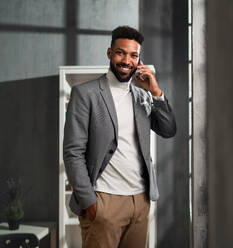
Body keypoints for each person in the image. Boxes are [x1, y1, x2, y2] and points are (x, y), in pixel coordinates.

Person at [63, 26, 177, 248]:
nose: (127, 60)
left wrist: (155, 92)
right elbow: (72, 152)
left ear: (139, 60)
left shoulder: (142, 96)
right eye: (120, 53)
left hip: (140, 201)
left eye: (133, 55)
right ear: (109, 53)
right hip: (104, 201)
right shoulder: (85, 94)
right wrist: (89, 202)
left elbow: (168, 129)